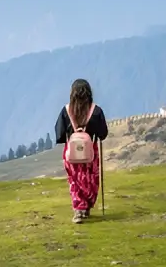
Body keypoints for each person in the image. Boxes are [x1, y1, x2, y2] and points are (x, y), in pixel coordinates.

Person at [55, 78, 109, 224]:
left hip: (72, 153)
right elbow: (103, 133)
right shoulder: (96, 111)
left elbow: (59, 135)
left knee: (75, 181)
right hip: (90, 152)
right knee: (90, 180)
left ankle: (79, 209)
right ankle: (86, 206)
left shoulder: (66, 111)